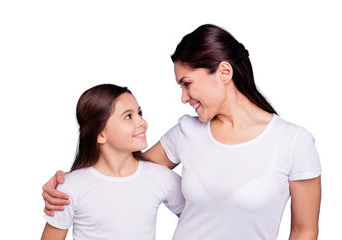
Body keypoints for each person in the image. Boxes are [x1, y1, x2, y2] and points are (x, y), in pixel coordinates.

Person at [42, 24, 321, 239]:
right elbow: (124, 171)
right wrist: (69, 182)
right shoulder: (186, 132)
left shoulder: (294, 142)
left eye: (187, 83)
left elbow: (304, 230)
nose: (184, 97)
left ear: (224, 72)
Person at [41, 84, 185, 240]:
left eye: (139, 113)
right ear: (100, 134)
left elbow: (202, 220)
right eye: (128, 116)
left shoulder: (161, 178)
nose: (142, 122)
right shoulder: (70, 188)